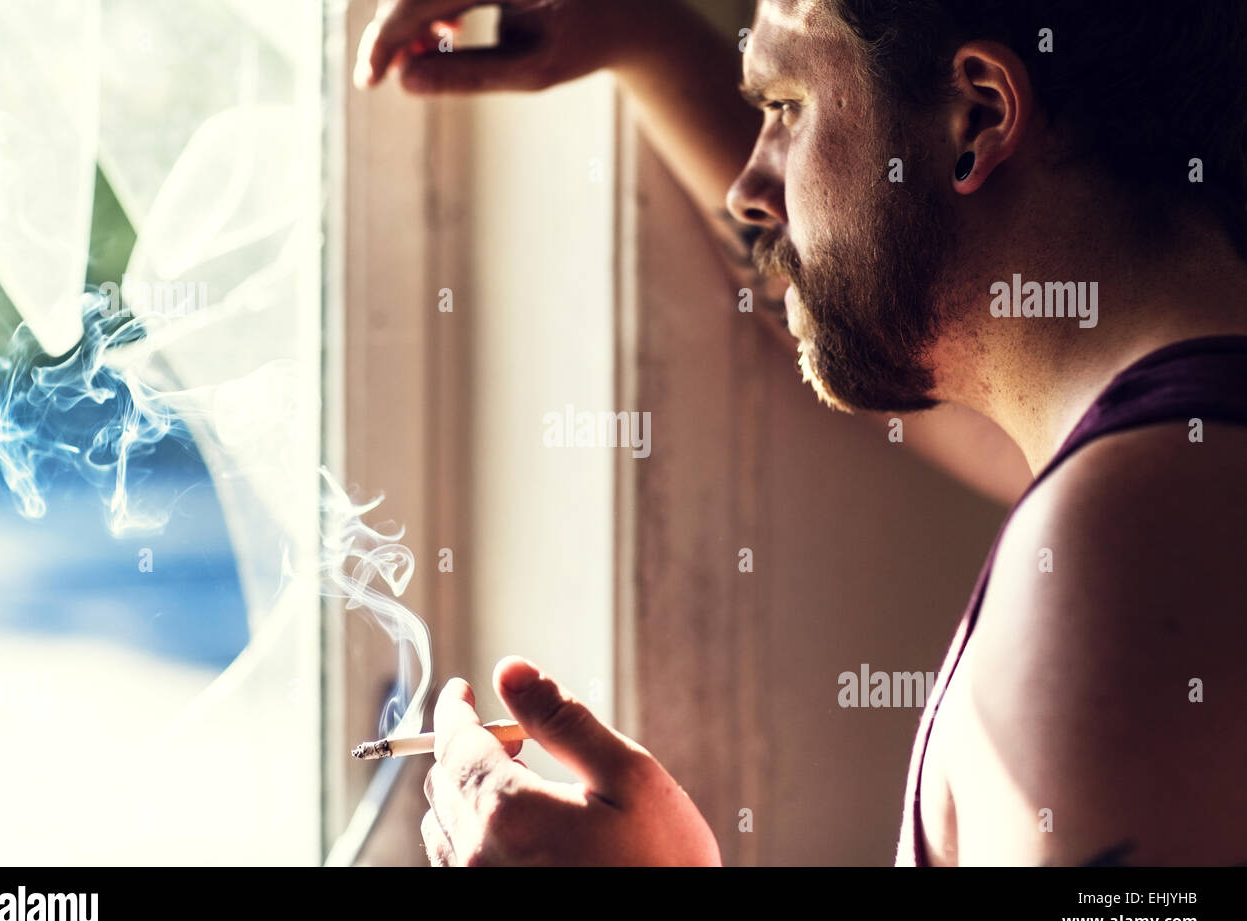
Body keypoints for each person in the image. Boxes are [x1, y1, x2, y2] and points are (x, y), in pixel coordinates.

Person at [355, 0, 1247, 865]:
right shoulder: (1168, 455)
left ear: (976, 116)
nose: (748, 191)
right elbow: (847, 296)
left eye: (785, 107)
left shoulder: (1122, 549)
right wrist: (633, 31)